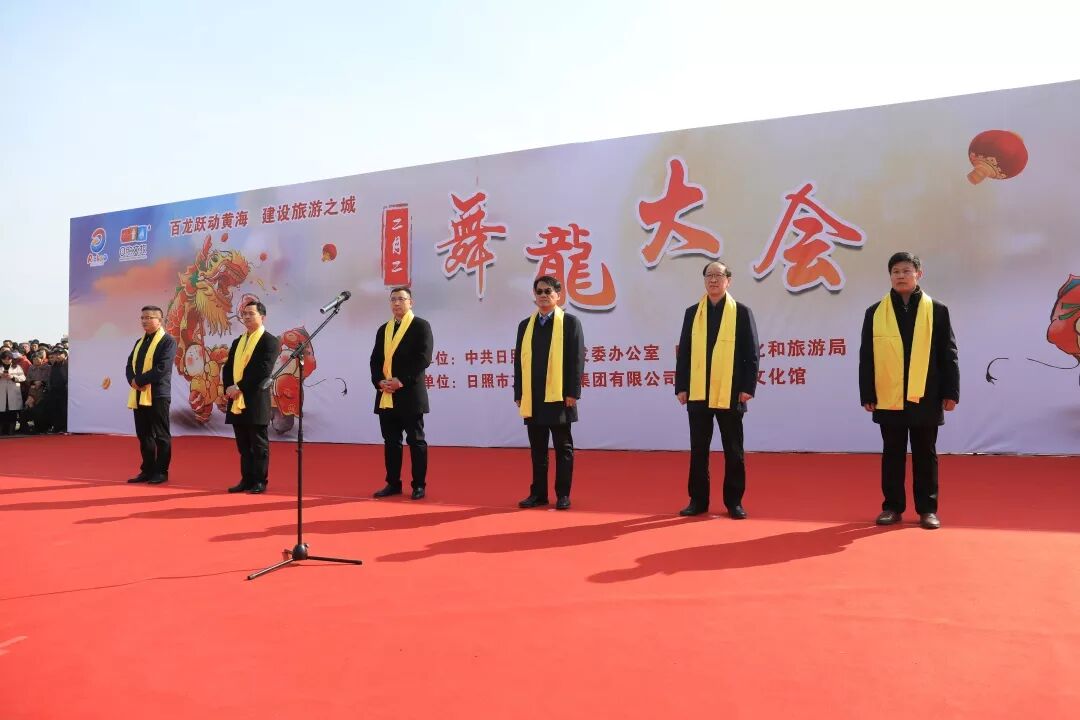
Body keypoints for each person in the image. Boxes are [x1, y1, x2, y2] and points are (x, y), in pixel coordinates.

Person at [859, 252, 959, 530]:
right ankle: (892, 507)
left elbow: (948, 353)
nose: (900, 276)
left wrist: (951, 391)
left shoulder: (937, 310)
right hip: (888, 394)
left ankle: (928, 510)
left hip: (926, 393)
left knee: (925, 453)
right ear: (890, 276)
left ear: (918, 274)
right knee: (892, 453)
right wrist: (868, 393)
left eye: (906, 271)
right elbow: (867, 356)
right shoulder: (875, 312)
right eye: (895, 272)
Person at [674, 261, 760, 519]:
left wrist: (748, 387)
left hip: (731, 391)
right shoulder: (693, 313)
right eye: (709, 275)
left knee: (733, 449)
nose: (713, 280)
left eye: (718, 275)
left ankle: (734, 502)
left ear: (728, 281)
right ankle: (697, 500)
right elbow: (684, 352)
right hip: (698, 392)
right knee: (699, 449)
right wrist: (682, 386)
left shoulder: (741, 312)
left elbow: (751, 353)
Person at [513, 275, 585, 510]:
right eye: (539, 292)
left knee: (563, 448)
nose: (543, 295)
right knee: (538, 450)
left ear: (558, 295)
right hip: (533, 397)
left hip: (560, 396)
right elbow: (518, 362)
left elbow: (576, 360)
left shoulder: (570, 323)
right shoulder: (526, 325)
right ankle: (538, 494)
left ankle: (563, 494)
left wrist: (573, 392)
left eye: (548, 291)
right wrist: (519, 392)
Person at [370, 287, 434, 500]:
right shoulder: (384, 329)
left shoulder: (420, 326)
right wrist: (379, 381)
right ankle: (393, 483)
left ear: (411, 302)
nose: (396, 303)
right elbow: (375, 360)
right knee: (391, 442)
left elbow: (423, 359)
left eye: (401, 299)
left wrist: (401, 381)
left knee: (416, 441)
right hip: (386, 393)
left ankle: (419, 485)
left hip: (410, 394)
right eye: (393, 299)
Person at [222, 300, 278, 494]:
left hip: (255, 399)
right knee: (243, 445)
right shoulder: (238, 341)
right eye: (244, 314)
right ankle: (246, 480)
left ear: (262, 317)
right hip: (236, 399)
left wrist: (239, 387)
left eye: (251, 314)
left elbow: (262, 370)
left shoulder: (270, 341)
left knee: (258, 444)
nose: (246, 317)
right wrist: (229, 387)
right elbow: (228, 367)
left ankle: (260, 481)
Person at [125, 305, 177, 485]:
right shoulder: (139, 342)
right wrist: (132, 380)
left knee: (161, 435)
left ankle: (161, 471)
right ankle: (147, 470)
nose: (144, 321)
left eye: (149, 317)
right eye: (142, 318)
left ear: (159, 320)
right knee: (144, 434)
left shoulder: (168, 341)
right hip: (139, 394)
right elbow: (129, 365)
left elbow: (162, 368)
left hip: (158, 394)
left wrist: (139, 381)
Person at [0, 350, 25, 435]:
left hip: (13, 392)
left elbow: (23, 378)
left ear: (12, 359)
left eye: (9, 359)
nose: (6, 360)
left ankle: (11, 431)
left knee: (12, 412)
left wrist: (13, 377)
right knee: (1, 412)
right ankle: (2, 431)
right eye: (4, 359)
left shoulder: (17, 367)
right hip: (1, 392)